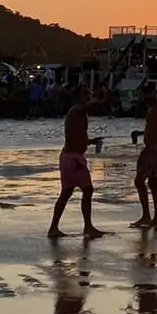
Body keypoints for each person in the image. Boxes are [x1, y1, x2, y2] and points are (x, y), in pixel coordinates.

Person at [47, 86, 106, 239]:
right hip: (73, 159)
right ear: (77, 97)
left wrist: (91, 141)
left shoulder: (78, 112)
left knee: (66, 193)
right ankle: (88, 227)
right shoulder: (76, 110)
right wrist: (102, 98)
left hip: (69, 157)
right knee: (87, 190)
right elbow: (91, 106)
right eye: (85, 94)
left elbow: (77, 136)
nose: (88, 96)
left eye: (89, 94)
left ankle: (54, 228)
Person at [130, 81, 157, 229]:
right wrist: (141, 133)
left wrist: (150, 147)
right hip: (156, 148)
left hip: (153, 149)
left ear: (154, 92)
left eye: (148, 93)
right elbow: (154, 129)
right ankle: (155, 216)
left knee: (139, 181)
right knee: (152, 183)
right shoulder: (155, 109)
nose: (145, 96)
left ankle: (147, 215)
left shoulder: (156, 109)